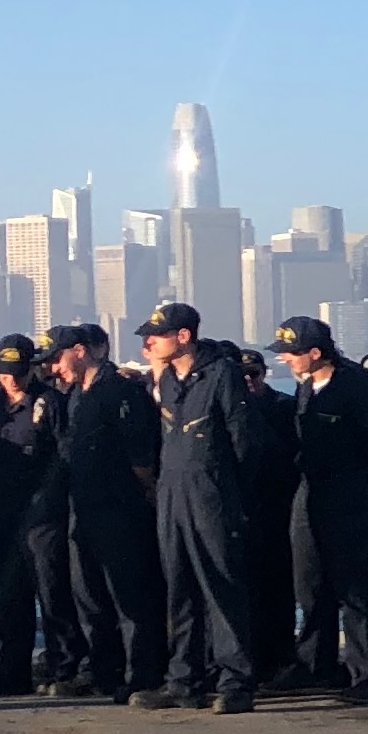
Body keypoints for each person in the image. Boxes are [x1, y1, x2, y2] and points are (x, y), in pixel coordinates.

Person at [139, 301, 263, 712]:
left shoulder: (221, 374)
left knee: (220, 586)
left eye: (158, 335)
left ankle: (235, 682)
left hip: (211, 494)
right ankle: (184, 679)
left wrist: (234, 495)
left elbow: (242, 441)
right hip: (172, 492)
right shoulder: (169, 381)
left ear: (184, 336)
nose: (150, 342)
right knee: (179, 588)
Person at [278, 318, 368, 697]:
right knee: (308, 583)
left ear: (315, 353)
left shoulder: (354, 386)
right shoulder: (306, 389)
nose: (286, 360)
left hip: (347, 494)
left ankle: (366, 673)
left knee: (352, 586)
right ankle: (316, 664)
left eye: (292, 353)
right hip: (309, 491)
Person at [49, 323, 166, 704]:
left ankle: (142, 673)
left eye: (58, 358)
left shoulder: (119, 390)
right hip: (82, 508)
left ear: (79, 351)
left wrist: (147, 493)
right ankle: (104, 670)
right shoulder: (75, 396)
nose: (54, 368)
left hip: (120, 508)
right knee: (89, 595)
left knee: (129, 595)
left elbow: (140, 454)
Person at [0, 335, 69, 694]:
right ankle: (12, 670)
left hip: (41, 508)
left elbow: (63, 456)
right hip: (1, 507)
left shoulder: (49, 402)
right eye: (5, 373)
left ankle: (63, 667)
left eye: (17, 374)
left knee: (51, 590)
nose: (10, 381)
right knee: (8, 594)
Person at [234, 334, 304, 687]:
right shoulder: (232, 411)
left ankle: (281, 656)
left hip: (278, 508)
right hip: (244, 509)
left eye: (255, 374)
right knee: (247, 589)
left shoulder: (282, 407)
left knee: (278, 587)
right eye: (243, 376)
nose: (249, 381)